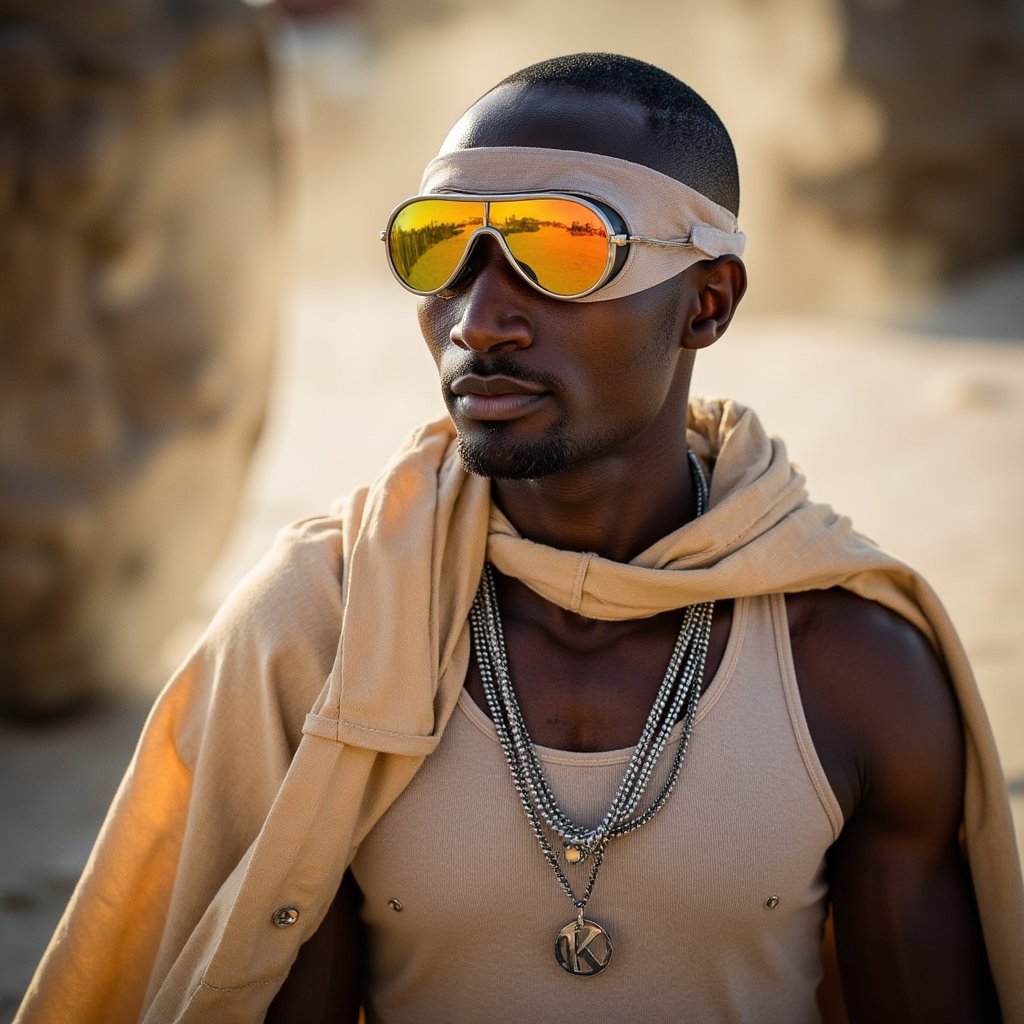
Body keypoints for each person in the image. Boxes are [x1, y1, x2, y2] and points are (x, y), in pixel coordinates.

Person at [16, 53, 1024, 1024]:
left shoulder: (853, 666)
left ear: (707, 303)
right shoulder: (329, 629)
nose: (479, 320)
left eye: (563, 250)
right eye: (437, 248)